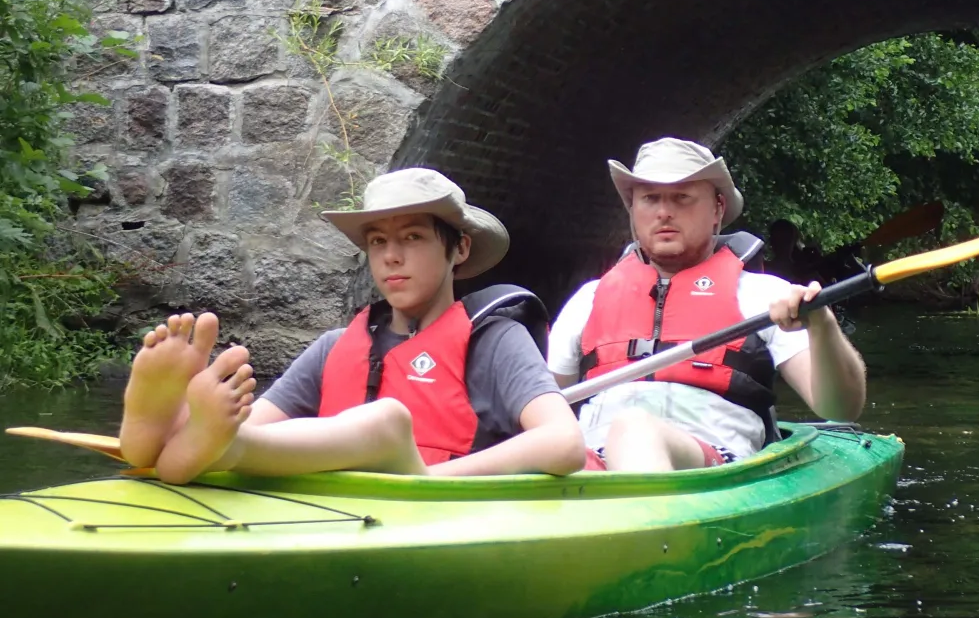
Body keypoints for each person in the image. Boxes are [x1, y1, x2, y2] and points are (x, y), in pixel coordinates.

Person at [119, 168, 585, 485]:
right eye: (378, 241)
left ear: (459, 249)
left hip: (430, 494)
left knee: (386, 419)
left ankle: (219, 450)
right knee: (233, 429)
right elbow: (252, 426)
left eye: (413, 238)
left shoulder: (496, 340)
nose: (391, 256)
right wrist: (211, 428)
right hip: (339, 502)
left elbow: (564, 443)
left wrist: (428, 478)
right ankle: (171, 430)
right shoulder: (335, 347)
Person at [547, 137, 867, 472]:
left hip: (714, 464)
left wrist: (823, 326)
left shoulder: (764, 295)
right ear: (632, 210)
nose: (663, 211)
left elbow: (841, 408)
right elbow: (547, 411)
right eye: (650, 198)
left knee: (634, 429)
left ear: (717, 209)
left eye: (682, 197)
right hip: (594, 459)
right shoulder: (589, 299)